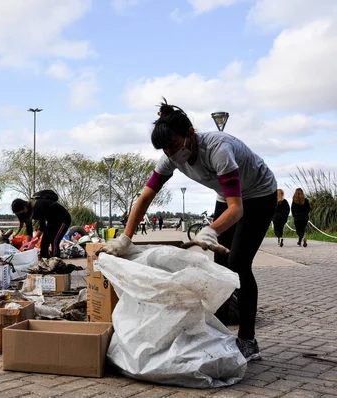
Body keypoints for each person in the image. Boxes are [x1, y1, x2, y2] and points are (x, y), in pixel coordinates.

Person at [100, 98, 277, 362]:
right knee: (222, 263)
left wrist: (210, 231)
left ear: (190, 134)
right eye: (165, 150)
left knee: (239, 261)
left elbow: (237, 209)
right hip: (225, 198)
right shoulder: (170, 157)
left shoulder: (219, 149)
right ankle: (219, 332)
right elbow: (145, 198)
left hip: (260, 195)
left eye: (173, 146)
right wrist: (125, 238)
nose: (171, 154)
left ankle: (248, 340)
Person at [11, 192, 71, 259]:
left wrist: (34, 240)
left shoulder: (37, 206)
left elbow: (42, 226)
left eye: (21, 213)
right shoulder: (26, 213)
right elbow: (29, 229)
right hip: (51, 221)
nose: (21, 215)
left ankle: (56, 261)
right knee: (44, 243)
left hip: (63, 219)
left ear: (25, 208)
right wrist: (27, 245)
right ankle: (44, 259)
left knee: (54, 241)